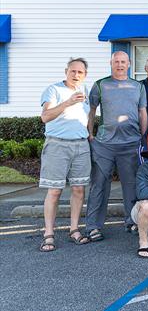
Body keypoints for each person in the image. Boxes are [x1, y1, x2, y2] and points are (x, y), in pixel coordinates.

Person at [85, 51, 148, 241]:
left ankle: (132, 221)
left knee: (130, 185)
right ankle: (93, 226)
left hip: (130, 144)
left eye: (123, 61)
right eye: (116, 62)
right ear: (110, 63)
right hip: (104, 144)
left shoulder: (138, 87)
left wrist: (142, 137)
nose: (119, 65)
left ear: (129, 64)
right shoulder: (100, 85)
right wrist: (90, 134)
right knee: (98, 185)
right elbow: (91, 111)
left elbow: (142, 112)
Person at [38, 58, 92, 251]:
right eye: (73, 71)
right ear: (66, 71)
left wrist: (90, 133)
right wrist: (68, 102)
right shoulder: (54, 90)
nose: (76, 75)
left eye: (80, 72)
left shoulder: (85, 91)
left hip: (80, 145)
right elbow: (45, 116)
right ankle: (49, 234)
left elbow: (89, 115)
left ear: (85, 74)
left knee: (78, 189)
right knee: (54, 191)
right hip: (57, 146)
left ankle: (74, 229)